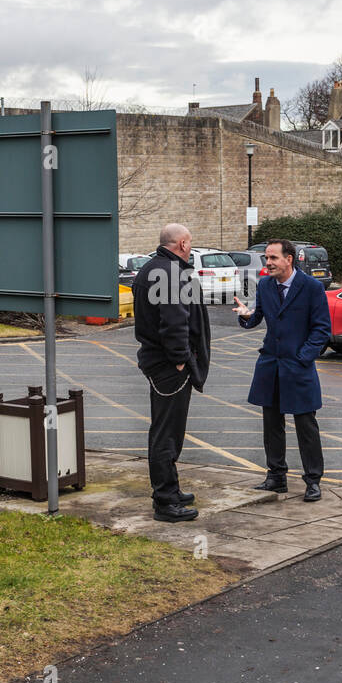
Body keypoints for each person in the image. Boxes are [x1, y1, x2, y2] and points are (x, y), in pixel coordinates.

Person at [232, 239, 332, 501]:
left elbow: (322, 330)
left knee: (305, 426)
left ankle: (313, 480)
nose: (268, 263)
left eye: (273, 258)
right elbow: (257, 318)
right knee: (271, 424)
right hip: (270, 365)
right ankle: (276, 476)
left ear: (289, 259)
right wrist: (245, 315)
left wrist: (303, 357)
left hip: (298, 367)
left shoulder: (311, 287)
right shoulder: (265, 284)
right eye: (267, 258)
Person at [133, 223, 211, 522]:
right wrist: (180, 360)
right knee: (167, 434)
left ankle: (171, 490)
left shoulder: (155, 268)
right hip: (169, 367)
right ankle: (166, 502)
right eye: (189, 243)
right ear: (181, 244)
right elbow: (174, 321)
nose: (190, 247)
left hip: (160, 363)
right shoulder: (169, 272)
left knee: (166, 431)